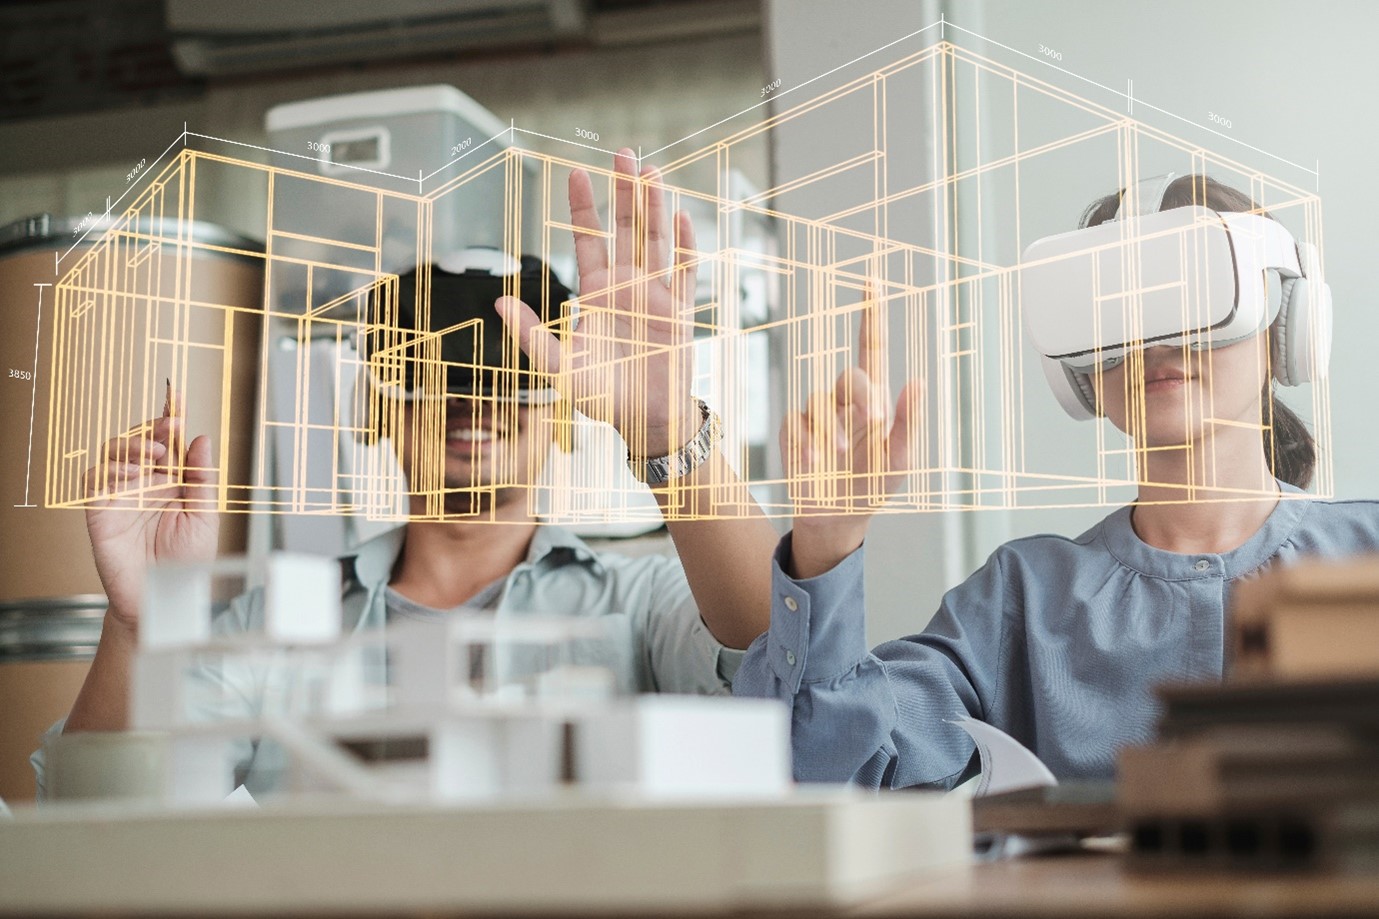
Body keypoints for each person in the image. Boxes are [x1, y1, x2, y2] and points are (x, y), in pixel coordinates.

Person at [35, 149, 781, 797]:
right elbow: (93, 811)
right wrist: (138, 624)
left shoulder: (639, 602)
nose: (472, 399)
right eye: (436, 372)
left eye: (508, 373)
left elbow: (780, 666)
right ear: (376, 409)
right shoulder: (273, 630)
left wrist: (667, 429)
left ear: (559, 414)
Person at [731, 174, 1379, 790]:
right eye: (1115, 306)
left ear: (1282, 323)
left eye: (1195, 293)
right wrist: (826, 549)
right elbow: (833, 778)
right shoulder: (1024, 599)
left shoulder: (1366, 554)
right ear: (1078, 369)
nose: (1155, 336)